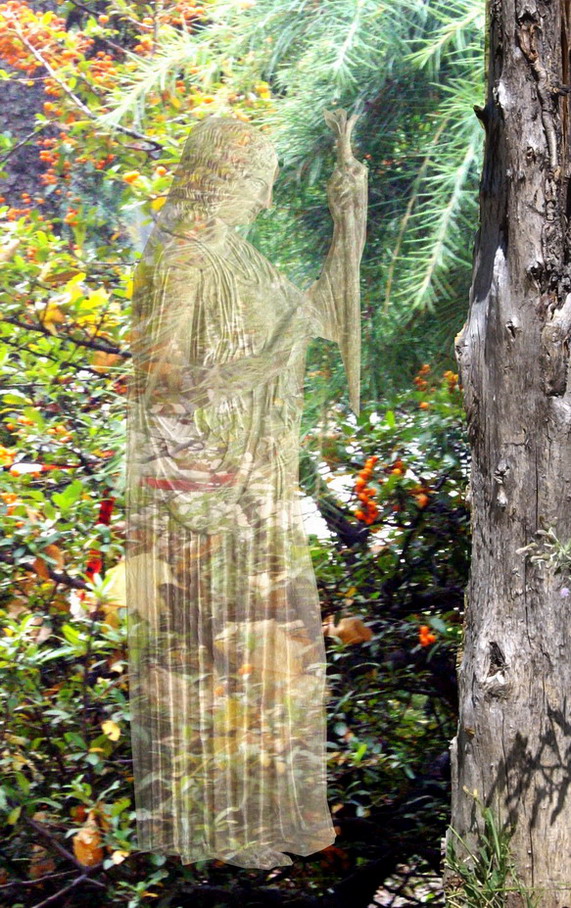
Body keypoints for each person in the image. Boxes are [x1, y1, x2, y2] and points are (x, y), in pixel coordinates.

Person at [125, 112, 368, 869]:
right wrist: (262, 368)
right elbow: (158, 380)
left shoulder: (240, 255)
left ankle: (260, 821)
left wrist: (348, 218)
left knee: (271, 654)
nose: (264, 202)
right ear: (222, 176)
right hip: (206, 491)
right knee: (216, 653)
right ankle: (218, 831)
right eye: (258, 183)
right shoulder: (181, 255)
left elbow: (323, 318)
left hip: (255, 487)